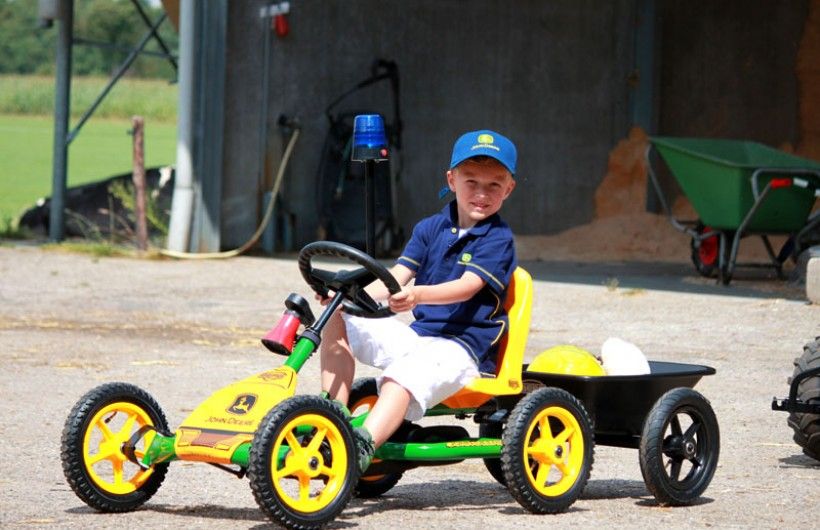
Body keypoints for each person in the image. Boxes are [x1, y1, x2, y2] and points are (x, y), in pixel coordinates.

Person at [319, 129, 519, 473]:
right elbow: (398, 276)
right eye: (472, 182)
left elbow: (467, 286)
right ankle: (333, 417)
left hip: (463, 350)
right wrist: (349, 296)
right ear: (452, 179)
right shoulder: (430, 228)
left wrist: (417, 296)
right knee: (336, 316)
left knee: (403, 375)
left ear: (509, 189)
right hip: (421, 339)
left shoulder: (498, 238)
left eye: (494, 186)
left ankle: (359, 449)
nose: (482, 195)